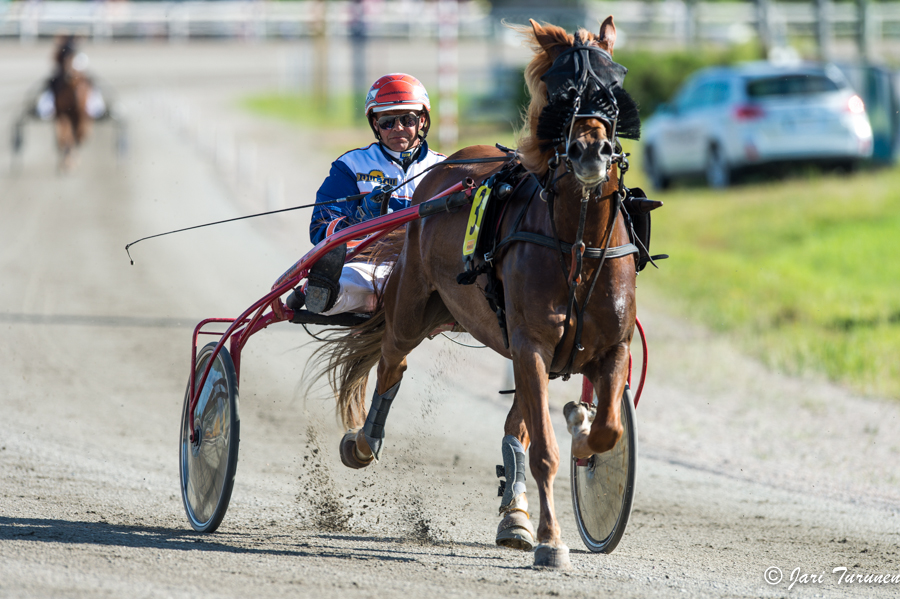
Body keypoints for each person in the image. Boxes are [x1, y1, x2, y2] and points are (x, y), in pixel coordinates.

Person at [288, 73, 445, 315]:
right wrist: (360, 218)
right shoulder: (351, 166)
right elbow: (320, 228)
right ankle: (327, 292)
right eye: (387, 122)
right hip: (369, 268)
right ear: (375, 124)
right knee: (336, 289)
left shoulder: (446, 170)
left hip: (427, 270)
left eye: (407, 119)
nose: (398, 128)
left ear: (422, 120)